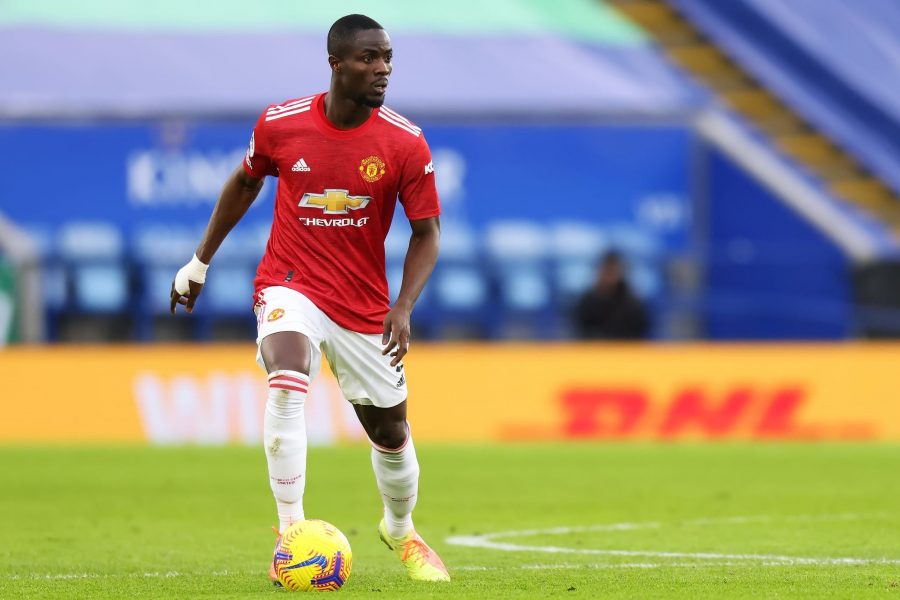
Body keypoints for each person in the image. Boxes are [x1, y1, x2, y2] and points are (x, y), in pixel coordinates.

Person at [169, 14, 449, 584]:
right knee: (288, 376)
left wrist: (402, 307)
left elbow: (427, 234)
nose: (383, 69)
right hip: (290, 282)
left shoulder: (404, 142)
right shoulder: (281, 124)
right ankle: (290, 535)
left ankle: (401, 529)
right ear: (335, 64)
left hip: (364, 305)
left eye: (387, 58)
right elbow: (245, 182)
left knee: (391, 434)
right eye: (369, 58)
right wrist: (199, 262)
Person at [572, 251, 648, 340]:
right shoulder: (587, 300)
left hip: (623, 346)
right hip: (594, 347)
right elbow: (580, 329)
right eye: (605, 270)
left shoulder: (631, 302)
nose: (608, 275)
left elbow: (638, 332)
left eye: (612, 270)